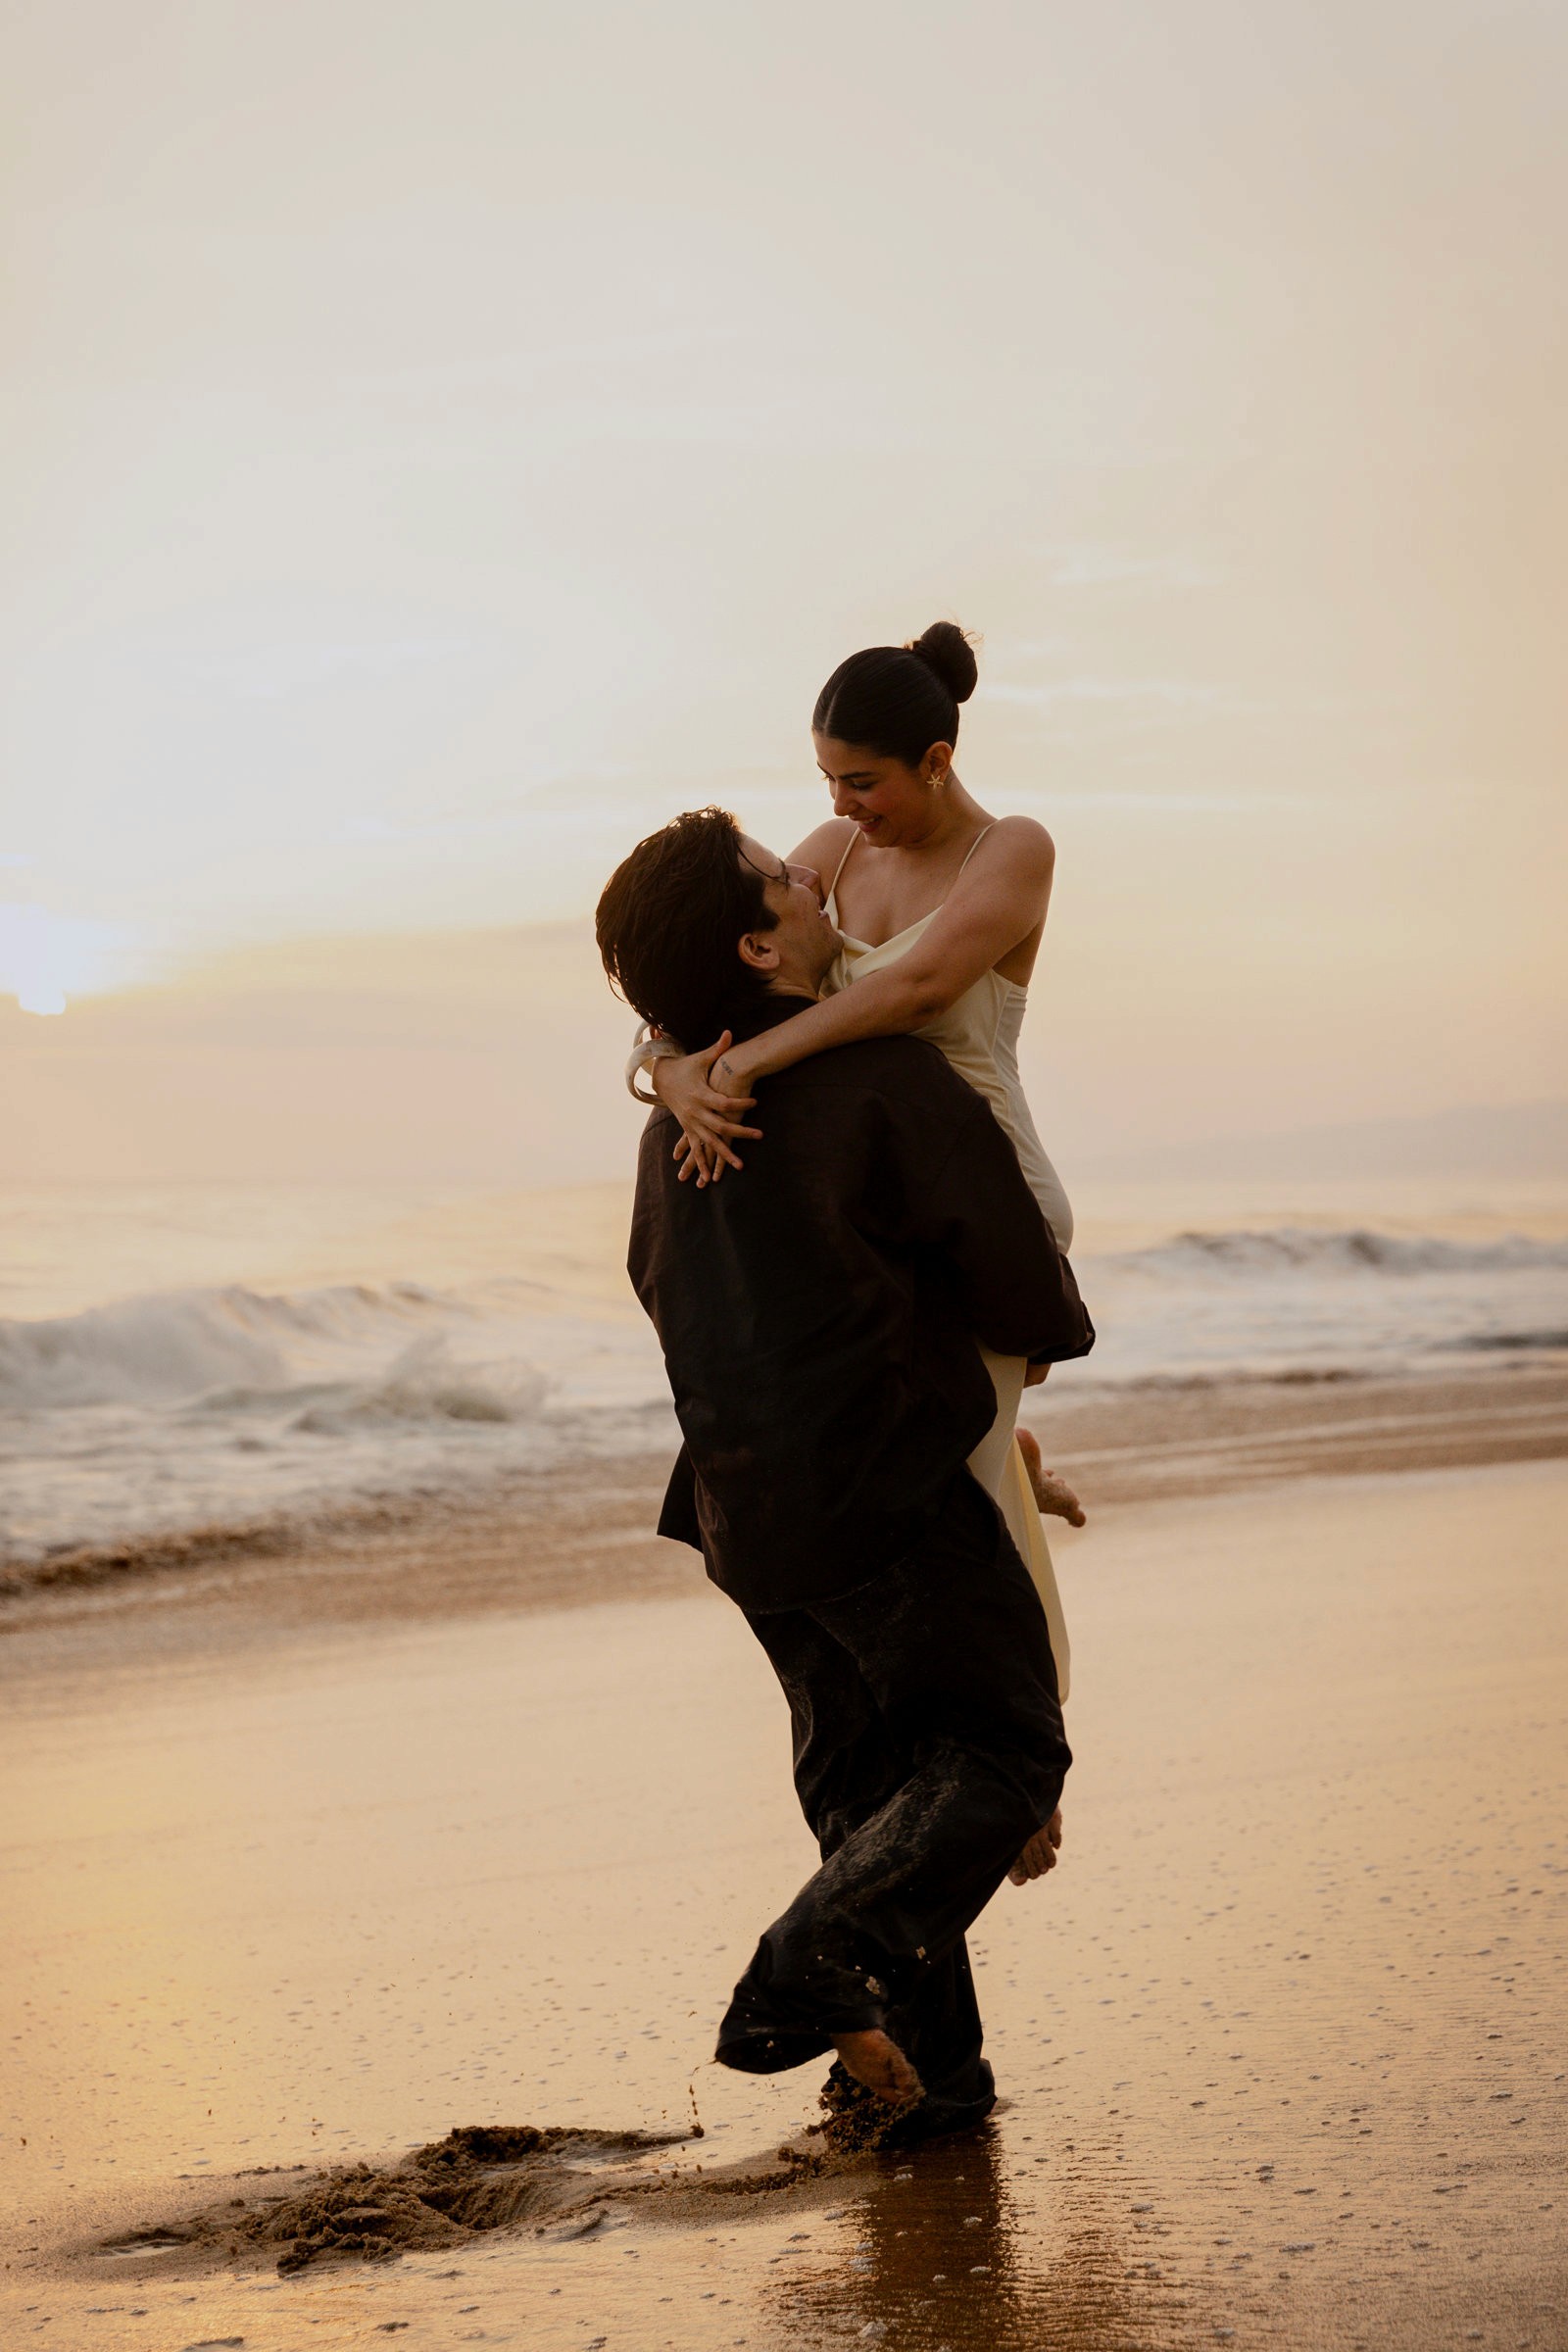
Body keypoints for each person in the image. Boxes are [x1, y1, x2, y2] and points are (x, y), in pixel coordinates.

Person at [596, 807, 1095, 2140]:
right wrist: (1029, 1371)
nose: (812, 875)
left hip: (748, 1514)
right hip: (890, 1500)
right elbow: (1013, 1274)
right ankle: (809, 1968)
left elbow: (660, 1287)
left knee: (871, 1796)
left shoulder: (678, 1129)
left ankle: (930, 2091)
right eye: (782, 875)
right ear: (763, 944)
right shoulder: (883, 1080)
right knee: (1000, 1752)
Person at [628, 621, 1084, 1727]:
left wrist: (736, 1067)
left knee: (961, 1489)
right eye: (826, 780)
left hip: (978, 1181)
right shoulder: (830, 858)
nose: (840, 807)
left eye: (863, 780)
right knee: (897, 1434)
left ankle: (1023, 1749)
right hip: (865, 1194)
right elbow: (714, 958)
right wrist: (670, 1069)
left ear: (936, 761)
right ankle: (1006, 1455)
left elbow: (915, 990)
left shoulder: (1009, 850)